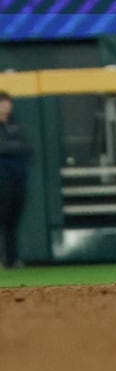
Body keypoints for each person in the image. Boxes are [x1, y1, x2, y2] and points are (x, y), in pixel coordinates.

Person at [0, 92, 29, 269]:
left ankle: (12, 259)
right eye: (2, 103)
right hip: (1, 178)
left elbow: (28, 146)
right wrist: (14, 147)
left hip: (17, 177)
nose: (5, 106)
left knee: (12, 220)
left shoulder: (15, 124)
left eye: (7, 103)